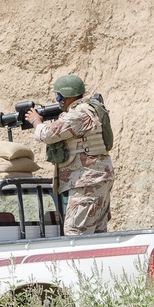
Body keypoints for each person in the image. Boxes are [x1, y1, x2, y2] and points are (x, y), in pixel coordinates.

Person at [24, 75, 114, 235]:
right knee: (96, 237)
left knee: (75, 234)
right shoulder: (88, 109)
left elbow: (47, 134)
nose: (57, 100)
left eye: (58, 96)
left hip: (87, 183)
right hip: (96, 181)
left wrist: (35, 121)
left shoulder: (77, 115)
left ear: (65, 96)